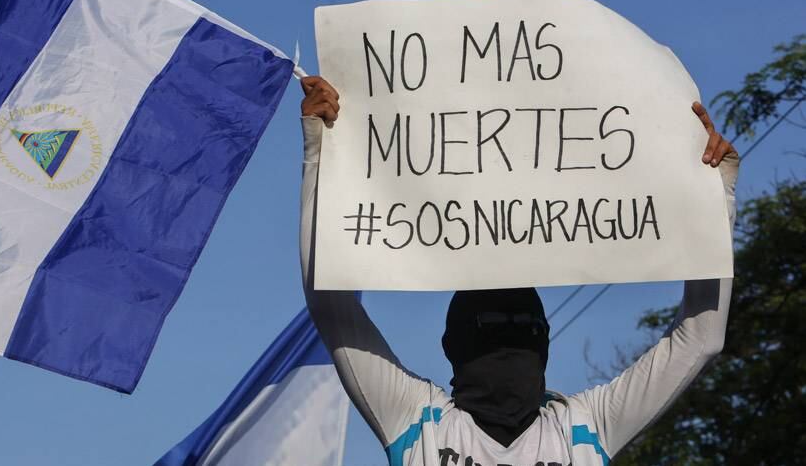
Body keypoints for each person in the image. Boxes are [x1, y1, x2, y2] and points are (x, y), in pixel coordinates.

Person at [298, 75, 738, 466]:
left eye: (526, 328)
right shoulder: (417, 420)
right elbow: (329, 301)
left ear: (544, 340)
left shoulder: (585, 427)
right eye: (491, 327)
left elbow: (701, 339)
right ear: (453, 343)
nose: (511, 343)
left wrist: (714, 198)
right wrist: (320, 149)